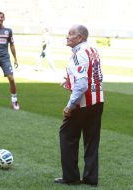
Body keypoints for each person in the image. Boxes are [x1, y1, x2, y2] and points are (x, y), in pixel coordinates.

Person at [55, 25, 104, 186]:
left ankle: (71, 177)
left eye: (71, 34)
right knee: (91, 141)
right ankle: (90, 178)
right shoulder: (92, 49)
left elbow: (82, 84)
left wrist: (70, 106)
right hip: (97, 101)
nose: (67, 37)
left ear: (80, 38)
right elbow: (92, 74)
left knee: (67, 135)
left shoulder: (79, 54)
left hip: (83, 103)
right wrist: (69, 80)